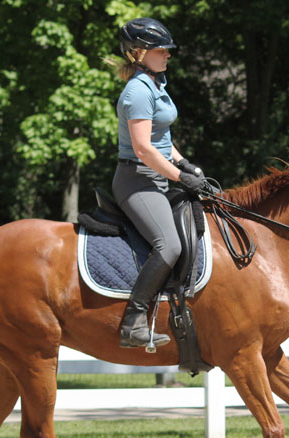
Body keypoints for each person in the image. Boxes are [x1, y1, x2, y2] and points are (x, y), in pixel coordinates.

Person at [113, 17, 206, 349]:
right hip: (138, 181)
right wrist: (179, 176)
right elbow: (143, 148)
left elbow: (162, 139)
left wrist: (184, 163)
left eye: (167, 50)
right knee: (170, 245)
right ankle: (133, 321)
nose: (168, 55)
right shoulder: (137, 91)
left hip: (161, 173)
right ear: (138, 53)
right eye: (161, 50)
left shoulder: (156, 84)